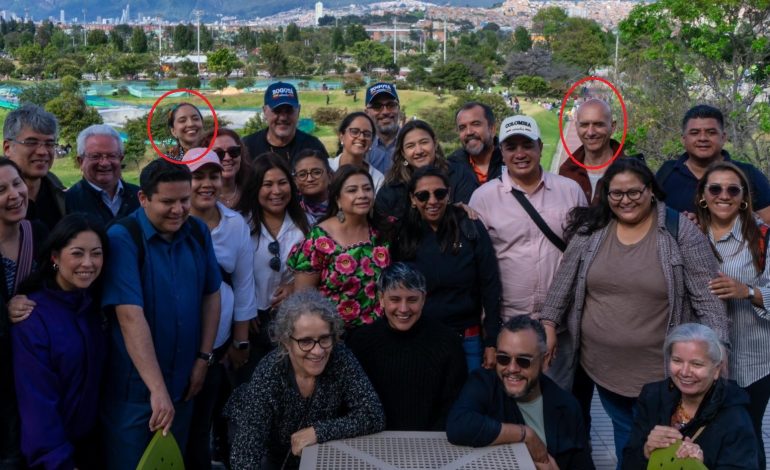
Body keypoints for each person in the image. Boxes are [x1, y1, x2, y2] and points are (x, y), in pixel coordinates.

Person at [538, 158, 728, 468]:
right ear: (606, 195)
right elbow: (563, 283)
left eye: (634, 192)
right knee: (627, 439)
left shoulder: (680, 233)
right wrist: (548, 321)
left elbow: (708, 300)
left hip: (661, 377)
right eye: (616, 194)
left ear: (651, 191)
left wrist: (719, 346)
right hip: (602, 370)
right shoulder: (592, 232)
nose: (625, 201)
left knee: (658, 443)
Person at [99, 159, 222, 470]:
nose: (179, 210)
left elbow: (212, 294)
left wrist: (203, 358)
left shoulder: (196, 231)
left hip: (183, 385)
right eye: (168, 202)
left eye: (184, 200)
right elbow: (129, 316)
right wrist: (157, 390)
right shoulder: (123, 237)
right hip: (136, 393)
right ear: (143, 198)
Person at [225, 290, 385, 469]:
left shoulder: (340, 358)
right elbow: (245, 453)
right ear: (286, 342)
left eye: (324, 338)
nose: (317, 351)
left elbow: (373, 415)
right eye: (306, 342)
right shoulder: (270, 371)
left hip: (318, 454)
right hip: (271, 455)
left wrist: (318, 432)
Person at [12, 214, 109, 469]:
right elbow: (37, 405)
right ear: (55, 257)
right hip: (54, 457)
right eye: (77, 253)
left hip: (93, 446)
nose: (88, 263)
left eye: (96, 253)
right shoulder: (32, 317)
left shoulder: (96, 306)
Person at [182, 148, 257, 470]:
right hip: (178, 342)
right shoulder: (174, 220)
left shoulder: (234, 223)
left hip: (219, 343)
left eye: (212, 175)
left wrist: (240, 341)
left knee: (205, 422)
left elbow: (243, 283)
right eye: (197, 176)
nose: (206, 183)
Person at [469, 115, 585, 322]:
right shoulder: (483, 198)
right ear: (501, 153)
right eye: (511, 147)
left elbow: (584, 252)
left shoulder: (570, 191)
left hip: (561, 320)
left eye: (527, 145)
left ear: (540, 147)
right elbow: (476, 263)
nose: (520, 154)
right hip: (508, 321)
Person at [694, 161, 770, 468]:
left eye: (732, 189)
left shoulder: (762, 237)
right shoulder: (687, 234)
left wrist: (748, 292)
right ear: (703, 196)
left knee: (747, 435)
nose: (723, 195)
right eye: (715, 188)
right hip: (700, 362)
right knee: (703, 437)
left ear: (744, 198)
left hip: (754, 362)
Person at [446, 315, 594, 470]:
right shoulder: (483, 384)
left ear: (544, 360)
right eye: (503, 358)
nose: (512, 369)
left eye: (523, 361)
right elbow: (458, 425)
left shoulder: (567, 406)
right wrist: (525, 435)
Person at [393, 166, 501, 371]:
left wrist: (491, 341)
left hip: (468, 338)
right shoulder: (403, 235)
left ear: (449, 194)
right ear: (413, 199)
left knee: (471, 398)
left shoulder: (469, 226)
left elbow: (490, 283)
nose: (432, 201)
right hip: (422, 338)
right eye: (423, 195)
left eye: (439, 193)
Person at [347, 263, 467, 431]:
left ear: (423, 299)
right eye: (395, 299)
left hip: (431, 444)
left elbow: (453, 404)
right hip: (374, 440)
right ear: (381, 299)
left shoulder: (448, 342)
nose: (403, 309)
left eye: (412, 300)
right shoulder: (361, 342)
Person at [623, 323, 758, 469]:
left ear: (717, 369)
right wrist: (646, 451)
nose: (685, 372)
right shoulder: (653, 396)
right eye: (677, 361)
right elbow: (627, 462)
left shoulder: (735, 418)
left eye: (696, 364)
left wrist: (700, 466)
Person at [288, 165, 390, 329]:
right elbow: (303, 299)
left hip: (380, 331)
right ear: (337, 199)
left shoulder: (382, 231)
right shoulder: (320, 239)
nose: (362, 195)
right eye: (352, 190)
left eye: (367, 189)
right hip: (334, 335)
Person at [236, 152, 311, 370]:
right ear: (255, 188)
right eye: (267, 184)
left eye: (282, 183)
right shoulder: (240, 224)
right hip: (252, 324)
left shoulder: (307, 225)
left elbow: (317, 271)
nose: (276, 191)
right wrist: (244, 314)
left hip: (293, 320)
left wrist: (295, 286)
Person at [0, 158, 49, 469]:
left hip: (30, 374)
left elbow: (55, 286)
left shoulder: (39, 233)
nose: (14, 194)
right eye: (1, 189)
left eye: (16, 183)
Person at [656, 104, 770, 223]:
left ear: (723, 137)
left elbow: (767, 224)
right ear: (683, 139)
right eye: (694, 133)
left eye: (711, 132)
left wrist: (710, 226)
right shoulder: (666, 172)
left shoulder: (747, 174)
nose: (703, 138)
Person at [374, 120, 476, 236]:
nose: (419, 151)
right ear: (403, 153)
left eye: (424, 142)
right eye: (410, 146)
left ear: (435, 143)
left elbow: (468, 217)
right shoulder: (391, 189)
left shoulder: (458, 174)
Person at [2, 104, 65, 231]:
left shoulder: (59, 193)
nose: (42, 151)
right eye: (31, 142)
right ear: (7, 148)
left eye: (49, 143)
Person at [65, 124, 140, 224]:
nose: (105, 163)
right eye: (95, 156)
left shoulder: (141, 197)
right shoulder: (68, 201)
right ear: (81, 161)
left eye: (112, 156)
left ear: (120, 159)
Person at [558, 99, 628, 204]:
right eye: (584, 125)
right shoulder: (567, 172)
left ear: (612, 127)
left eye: (598, 124)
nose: (590, 132)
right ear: (577, 127)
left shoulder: (632, 171)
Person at [242, 82, 329, 165]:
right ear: (265, 111)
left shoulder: (313, 146)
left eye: (289, 111)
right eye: (277, 111)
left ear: (298, 111)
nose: (283, 117)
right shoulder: (248, 147)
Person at [197, 128, 253, 210]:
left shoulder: (254, 191)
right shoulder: (197, 197)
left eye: (233, 151)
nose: (227, 158)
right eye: (218, 153)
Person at [448, 102, 503, 186]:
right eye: (462, 128)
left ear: (492, 129)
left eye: (476, 124)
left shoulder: (511, 160)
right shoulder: (451, 167)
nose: (469, 132)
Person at [330, 112, 385, 192]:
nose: (361, 137)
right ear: (341, 137)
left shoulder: (377, 178)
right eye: (355, 132)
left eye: (367, 134)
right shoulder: (326, 167)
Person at [364, 82, 401, 174]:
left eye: (391, 105)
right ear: (367, 113)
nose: (385, 112)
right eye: (377, 106)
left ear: (398, 109)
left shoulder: (412, 143)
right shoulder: (361, 145)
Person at [293, 149, 332, 220]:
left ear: (329, 177)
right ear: (295, 181)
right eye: (302, 174)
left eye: (316, 173)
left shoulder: (343, 206)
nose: (309, 179)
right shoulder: (291, 211)